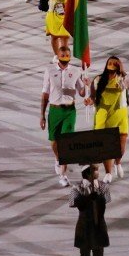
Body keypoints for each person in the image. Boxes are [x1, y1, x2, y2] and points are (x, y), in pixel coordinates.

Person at [40, 36, 89, 187]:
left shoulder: (75, 71)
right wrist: (42, 115)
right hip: (54, 111)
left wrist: (86, 85)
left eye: (67, 55)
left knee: (66, 142)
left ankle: (63, 174)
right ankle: (58, 158)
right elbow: (45, 93)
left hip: (69, 111)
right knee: (54, 142)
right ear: (58, 57)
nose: (65, 58)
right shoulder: (49, 70)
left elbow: (81, 92)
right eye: (63, 55)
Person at [70, 164, 109, 256]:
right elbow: (73, 203)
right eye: (95, 169)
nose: (98, 171)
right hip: (84, 225)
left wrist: (97, 196)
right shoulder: (77, 186)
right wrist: (87, 198)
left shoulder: (103, 186)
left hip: (98, 224)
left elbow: (106, 201)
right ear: (87, 172)